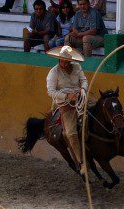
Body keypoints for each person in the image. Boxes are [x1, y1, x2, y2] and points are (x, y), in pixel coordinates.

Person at [46, 44, 88, 174]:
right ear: (59, 59)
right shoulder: (53, 72)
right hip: (66, 103)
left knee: (101, 109)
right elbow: (51, 91)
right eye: (62, 60)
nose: (64, 63)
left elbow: (84, 80)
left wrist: (83, 89)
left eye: (66, 61)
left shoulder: (77, 67)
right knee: (71, 133)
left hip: (80, 98)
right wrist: (66, 95)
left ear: (71, 60)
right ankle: (81, 162)